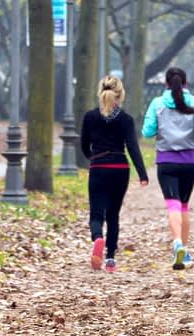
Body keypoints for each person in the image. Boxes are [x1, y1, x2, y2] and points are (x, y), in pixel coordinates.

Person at [81, 75, 148, 272]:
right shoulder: (126, 119)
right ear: (120, 94)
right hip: (120, 169)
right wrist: (142, 173)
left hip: (99, 168)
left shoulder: (90, 117)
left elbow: (84, 146)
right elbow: (133, 147)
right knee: (113, 214)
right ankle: (110, 258)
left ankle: (98, 238)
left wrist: (93, 158)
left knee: (96, 213)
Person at [142, 67, 194, 270]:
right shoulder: (193, 102)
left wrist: (163, 128)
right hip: (190, 162)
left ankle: (177, 245)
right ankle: (186, 252)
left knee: (173, 206)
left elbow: (147, 132)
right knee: (184, 206)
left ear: (166, 83)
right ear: (185, 83)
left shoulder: (157, 103)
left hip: (167, 162)